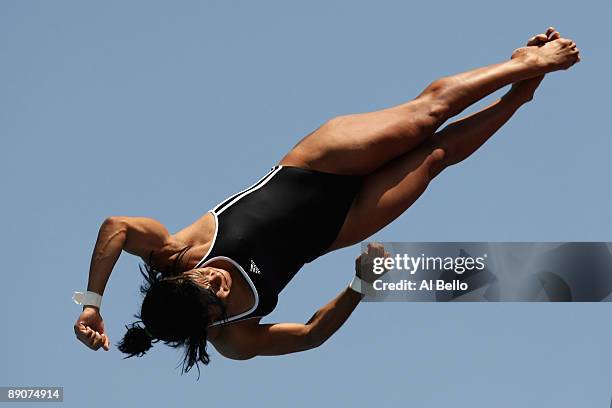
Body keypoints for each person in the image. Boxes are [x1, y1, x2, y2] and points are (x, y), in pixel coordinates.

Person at [73, 28, 580, 376]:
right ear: (210, 318)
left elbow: (116, 225)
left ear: (180, 274)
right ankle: (519, 96)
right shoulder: (235, 339)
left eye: (201, 277)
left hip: (315, 166)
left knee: (424, 117)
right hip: (339, 227)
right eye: (214, 291)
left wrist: (93, 303)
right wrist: (360, 284)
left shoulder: (174, 252)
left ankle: (527, 63)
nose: (214, 278)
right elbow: (313, 333)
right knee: (434, 156)